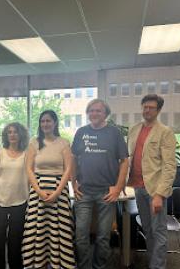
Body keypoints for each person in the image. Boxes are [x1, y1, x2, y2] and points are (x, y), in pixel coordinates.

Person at [72, 99, 129, 269]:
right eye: (91, 111)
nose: (94, 114)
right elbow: (73, 158)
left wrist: (118, 187)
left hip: (106, 192)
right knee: (81, 234)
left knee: (103, 236)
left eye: (98, 111)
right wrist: (73, 182)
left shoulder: (114, 133)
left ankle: (99, 266)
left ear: (105, 113)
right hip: (84, 191)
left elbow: (124, 161)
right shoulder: (81, 132)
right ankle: (84, 266)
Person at [127, 94, 176, 269]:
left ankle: (157, 267)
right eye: (145, 107)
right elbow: (129, 157)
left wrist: (159, 194)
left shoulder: (165, 132)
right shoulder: (134, 129)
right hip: (138, 188)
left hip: (155, 190)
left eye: (151, 107)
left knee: (159, 231)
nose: (147, 110)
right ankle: (152, 263)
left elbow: (169, 166)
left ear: (158, 110)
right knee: (147, 229)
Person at [21, 110, 75, 269]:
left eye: (48, 121)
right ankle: (38, 264)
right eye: (42, 121)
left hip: (60, 192)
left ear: (55, 123)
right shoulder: (34, 143)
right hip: (38, 192)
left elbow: (68, 170)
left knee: (59, 232)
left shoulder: (64, 143)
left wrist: (57, 192)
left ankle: (59, 264)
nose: (45, 124)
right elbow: (29, 169)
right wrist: (38, 191)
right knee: (36, 231)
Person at [0, 122, 29, 269]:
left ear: (20, 134)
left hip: (20, 200)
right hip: (0, 198)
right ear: (6, 135)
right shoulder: (0, 152)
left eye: (15, 132)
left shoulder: (27, 153)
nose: (12, 135)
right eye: (9, 132)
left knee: (16, 239)